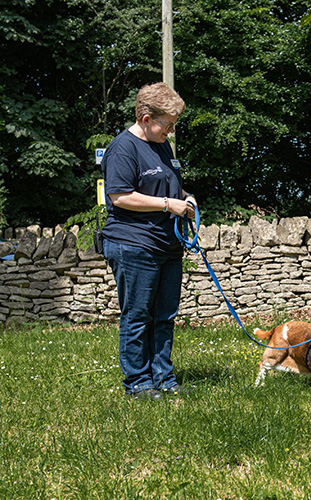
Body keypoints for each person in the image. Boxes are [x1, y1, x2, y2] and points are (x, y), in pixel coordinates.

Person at [101, 82, 196, 400]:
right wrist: (169, 205)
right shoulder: (122, 148)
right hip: (133, 244)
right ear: (145, 118)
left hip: (167, 244)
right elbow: (120, 196)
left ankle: (163, 377)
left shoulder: (162, 147)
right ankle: (138, 383)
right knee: (138, 314)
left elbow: (167, 187)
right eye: (167, 124)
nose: (170, 131)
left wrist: (186, 198)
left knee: (165, 315)